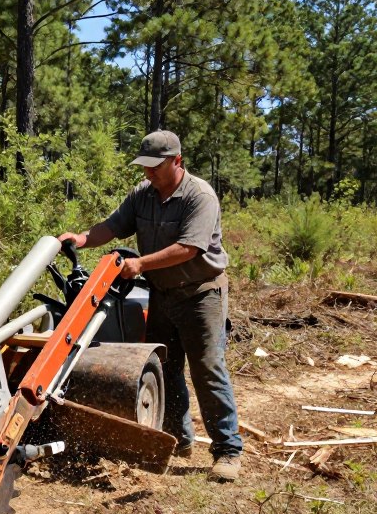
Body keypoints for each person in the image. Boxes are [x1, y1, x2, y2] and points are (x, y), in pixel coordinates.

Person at [59, 130, 243, 482]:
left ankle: (227, 451)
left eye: (155, 167)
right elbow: (114, 226)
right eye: (145, 167)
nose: (148, 174)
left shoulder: (199, 196)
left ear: (177, 161)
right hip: (162, 294)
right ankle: (178, 437)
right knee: (165, 368)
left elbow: (189, 248)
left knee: (207, 368)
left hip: (200, 293)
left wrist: (140, 264)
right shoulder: (142, 195)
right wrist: (82, 239)